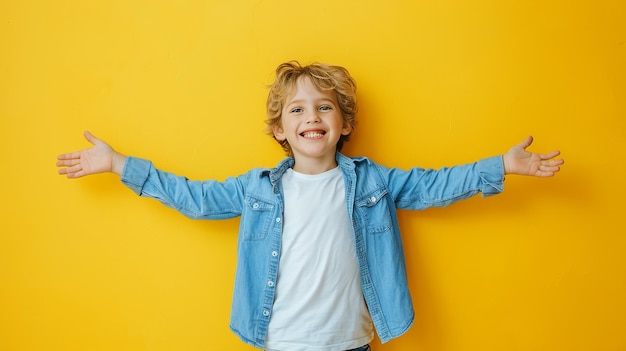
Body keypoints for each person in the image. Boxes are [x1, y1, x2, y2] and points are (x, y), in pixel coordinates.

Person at [57, 61, 563, 351]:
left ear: (344, 124)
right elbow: (197, 198)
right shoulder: (258, 189)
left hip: (351, 342)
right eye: (297, 109)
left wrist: (500, 166)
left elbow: (435, 185)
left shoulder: (372, 181)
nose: (312, 116)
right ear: (280, 130)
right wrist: (121, 164)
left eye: (325, 107)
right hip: (280, 341)